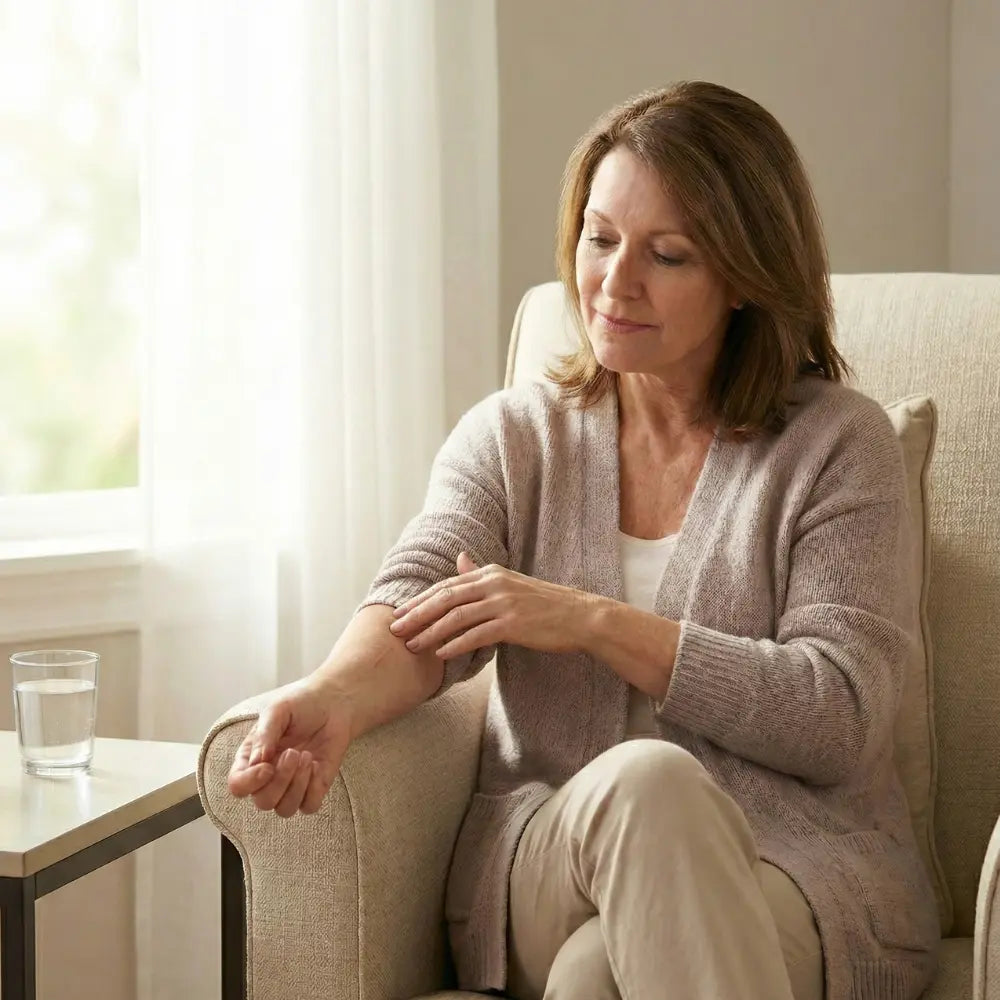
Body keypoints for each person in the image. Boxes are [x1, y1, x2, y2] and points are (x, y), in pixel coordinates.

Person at [227, 81, 941, 1000]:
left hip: (793, 873)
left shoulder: (839, 446)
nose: (615, 282)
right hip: (552, 860)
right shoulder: (513, 438)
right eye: (600, 240)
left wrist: (594, 622)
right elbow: (419, 591)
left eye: (667, 254)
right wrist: (332, 695)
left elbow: (838, 717)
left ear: (745, 278)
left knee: (595, 976)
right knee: (648, 784)